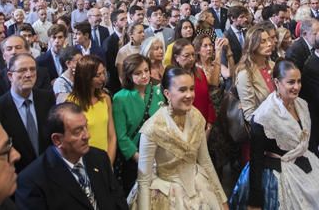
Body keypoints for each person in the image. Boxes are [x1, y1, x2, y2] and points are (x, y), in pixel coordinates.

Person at [229, 59, 319, 210]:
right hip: (279, 177)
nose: (297, 87)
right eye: (291, 82)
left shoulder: (302, 104)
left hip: (310, 168)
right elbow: (256, 159)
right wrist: (255, 201)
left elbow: (309, 141)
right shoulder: (263, 116)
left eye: (299, 82)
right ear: (277, 82)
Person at [132, 66, 227, 210]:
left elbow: (205, 161)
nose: (189, 95)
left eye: (191, 89)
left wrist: (222, 199)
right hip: (167, 196)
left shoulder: (196, 117)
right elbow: (144, 179)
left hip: (199, 190)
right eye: (182, 90)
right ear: (167, 94)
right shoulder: (152, 128)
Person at [15, 102, 128, 209]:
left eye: (86, 127)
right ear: (57, 139)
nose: (87, 136)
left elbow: (119, 201)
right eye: (78, 131)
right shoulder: (32, 180)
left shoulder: (99, 158)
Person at [0, 53, 55, 173]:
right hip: (18, 175)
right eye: (22, 70)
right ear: (10, 76)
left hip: (49, 171)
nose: (29, 74)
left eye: (32, 69)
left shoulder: (47, 98)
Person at [112, 54, 164, 194]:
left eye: (146, 70)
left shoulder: (158, 92)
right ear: (129, 75)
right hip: (135, 159)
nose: (144, 76)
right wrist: (140, 159)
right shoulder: (120, 98)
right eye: (138, 73)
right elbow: (122, 136)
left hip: (160, 154)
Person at [68, 54, 117, 163]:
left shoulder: (105, 99)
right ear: (86, 77)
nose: (103, 78)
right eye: (97, 75)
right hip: (83, 161)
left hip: (105, 159)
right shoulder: (71, 104)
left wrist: (108, 164)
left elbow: (112, 136)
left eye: (103, 73)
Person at [170, 38, 216, 129]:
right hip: (183, 127)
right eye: (186, 55)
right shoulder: (172, 78)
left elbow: (208, 100)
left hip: (204, 124)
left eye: (193, 55)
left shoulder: (200, 73)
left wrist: (209, 124)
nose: (191, 58)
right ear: (176, 57)